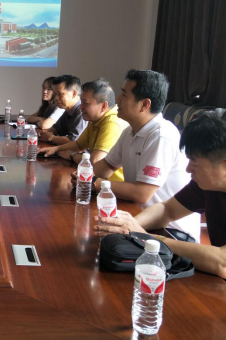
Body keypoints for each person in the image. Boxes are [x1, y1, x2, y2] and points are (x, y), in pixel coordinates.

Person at [95, 110, 226, 279]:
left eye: (194, 163)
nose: (188, 169)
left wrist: (147, 238)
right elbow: (167, 210)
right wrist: (130, 225)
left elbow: (222, 261)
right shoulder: (207, 185)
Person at [87, 69, 200, 241]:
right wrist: (84, 175)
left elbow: (142, 193)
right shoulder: (130, 131)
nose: (118, 99)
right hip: (138, 217)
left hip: (170, 231)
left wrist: (96, 183)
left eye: (124, 94)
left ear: (145, 104)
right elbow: (106, 166)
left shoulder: (161, 135)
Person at [39, 78, 128, 181]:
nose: (81, 107)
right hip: (97, 180)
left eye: (85, 103)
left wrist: (72, 155)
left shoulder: (112, 124)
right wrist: (55, 149)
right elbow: (79, 145)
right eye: (81, 103)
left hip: (110, 186)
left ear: (103, 106)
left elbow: (95, 162)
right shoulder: (95, 119)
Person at [38, 74, 88, 145]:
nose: (56, 98)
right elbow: (57, 129)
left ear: (74, 93)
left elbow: (74, 141)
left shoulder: (82, 111)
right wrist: (45, 132)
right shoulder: (67, 109)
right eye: (55, 94)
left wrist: (50, 138)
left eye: (60, 94)